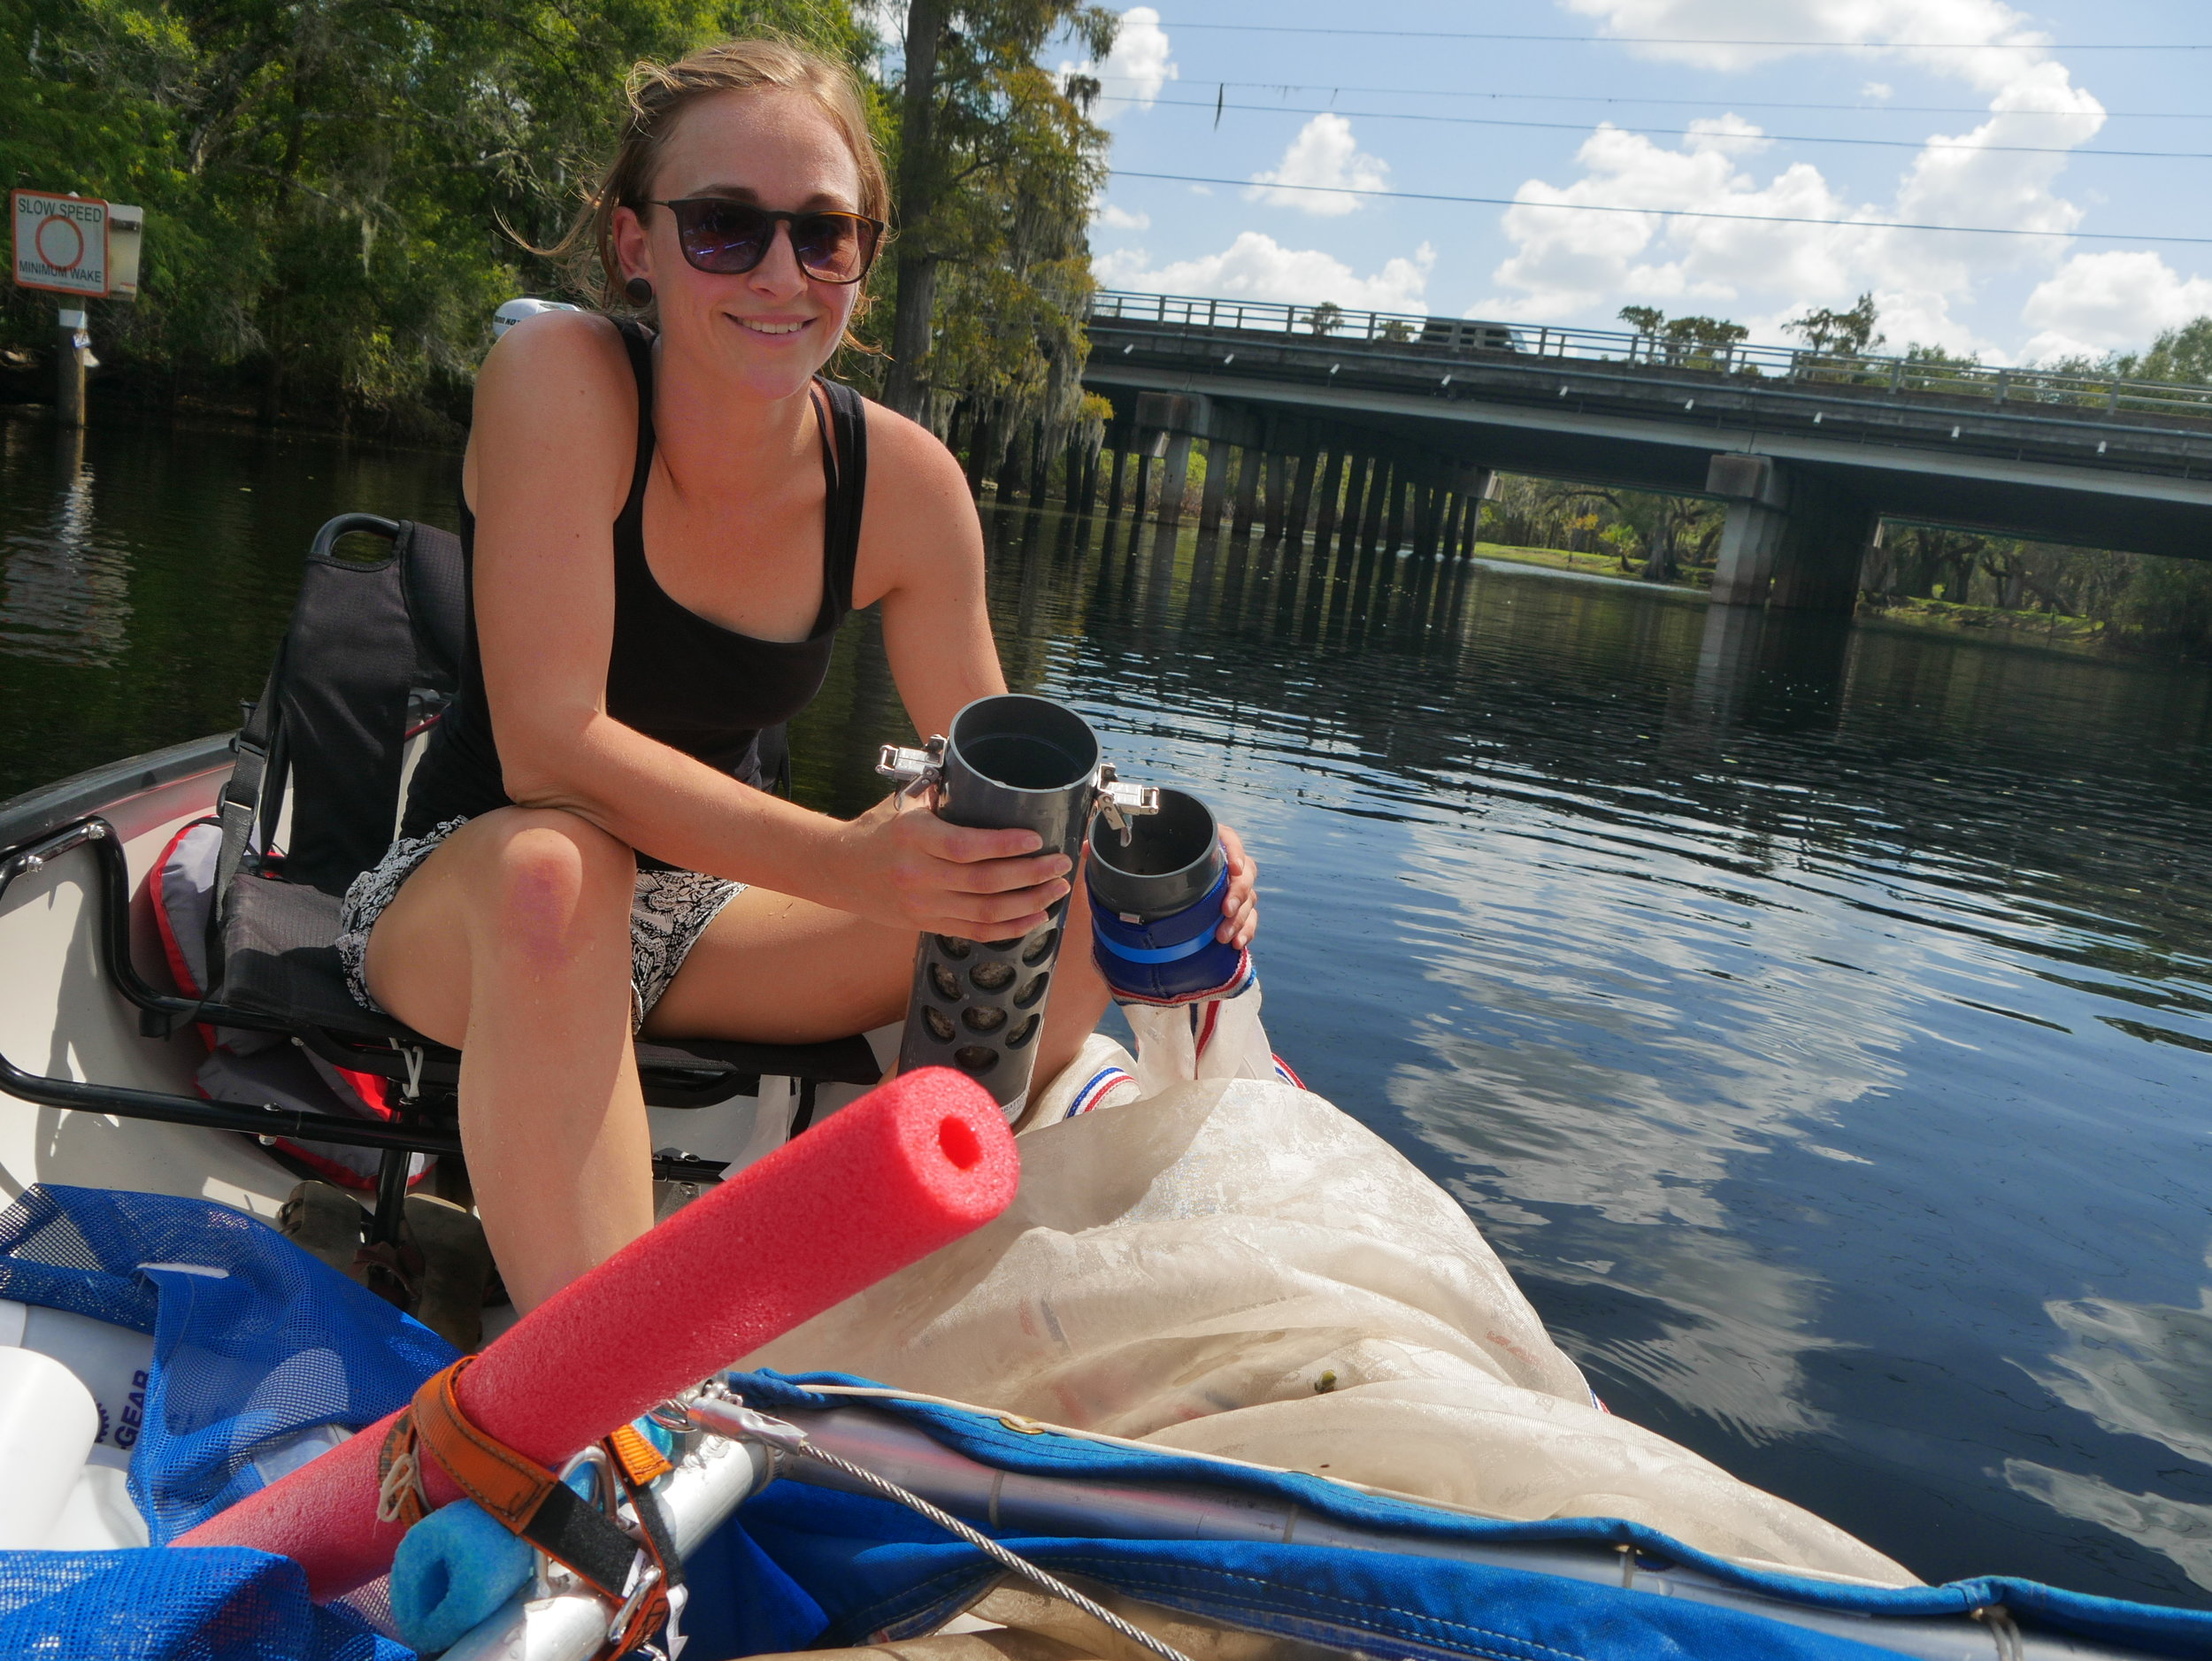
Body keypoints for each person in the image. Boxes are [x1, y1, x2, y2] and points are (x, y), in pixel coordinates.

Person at [332, 37, 1259, 1317]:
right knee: (562, 865)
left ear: (863, 267)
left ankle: (887, 1282)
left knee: (1066, 893)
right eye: (724, 226)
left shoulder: (908, 487)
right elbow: (551, 745)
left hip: (715, 920)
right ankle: (610, 1398)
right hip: (485, 898)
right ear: (633, 246)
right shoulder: (558, 380)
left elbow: (1012, 792)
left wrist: (1164, 859)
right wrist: (844, 857)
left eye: (824, 236)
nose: (780, 273)